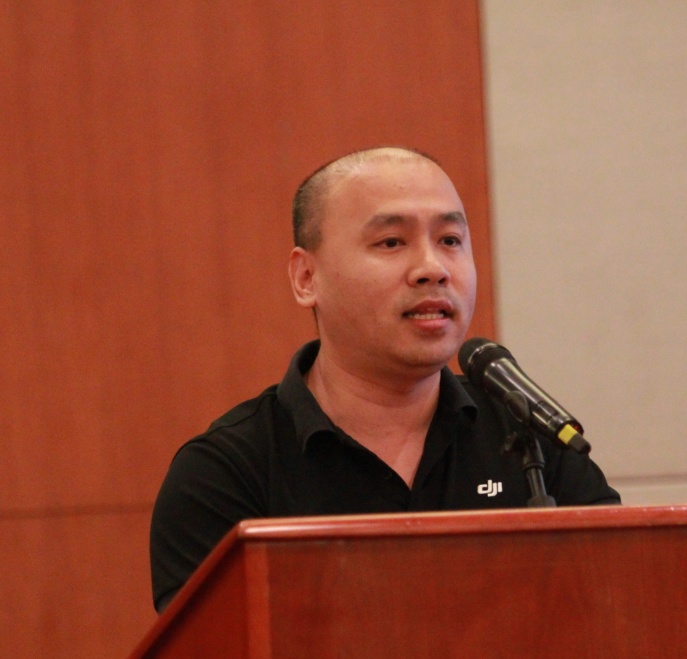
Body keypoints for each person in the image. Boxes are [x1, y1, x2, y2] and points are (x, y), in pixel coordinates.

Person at [150, 147, 620, 611]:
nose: (433, 269)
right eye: (392, 242)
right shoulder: (226, 474)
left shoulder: (529, 440)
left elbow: (621, 613)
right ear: (306, 277)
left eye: (450, 240)